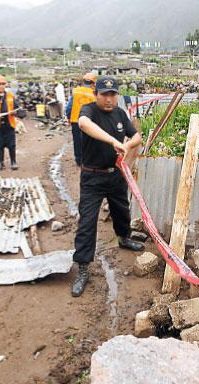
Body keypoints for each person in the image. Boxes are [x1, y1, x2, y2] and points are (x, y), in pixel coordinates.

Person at [71, 76, 144, 297]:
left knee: (122, 211)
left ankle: (124, 238)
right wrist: (112, 141)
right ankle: (83, 267)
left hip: (116, 175)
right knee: (87, 221)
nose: (109, 98)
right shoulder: (89, 110)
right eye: (105, 94)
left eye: (113, 94)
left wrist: (127, 144)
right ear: (96, 94)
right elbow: (83, 124)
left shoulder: (121, 114)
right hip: (92, 178)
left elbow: (137, 136)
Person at [65, 72, 97, 166]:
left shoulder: (76, 91)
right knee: (89, 140)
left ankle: (79, 160)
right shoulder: (94, 94)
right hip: (89, 121)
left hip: (75, 120)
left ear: (83, 81)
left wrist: (68, 117)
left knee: (77, 140)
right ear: (93, 83)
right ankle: (88, 159)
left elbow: (69, 107)